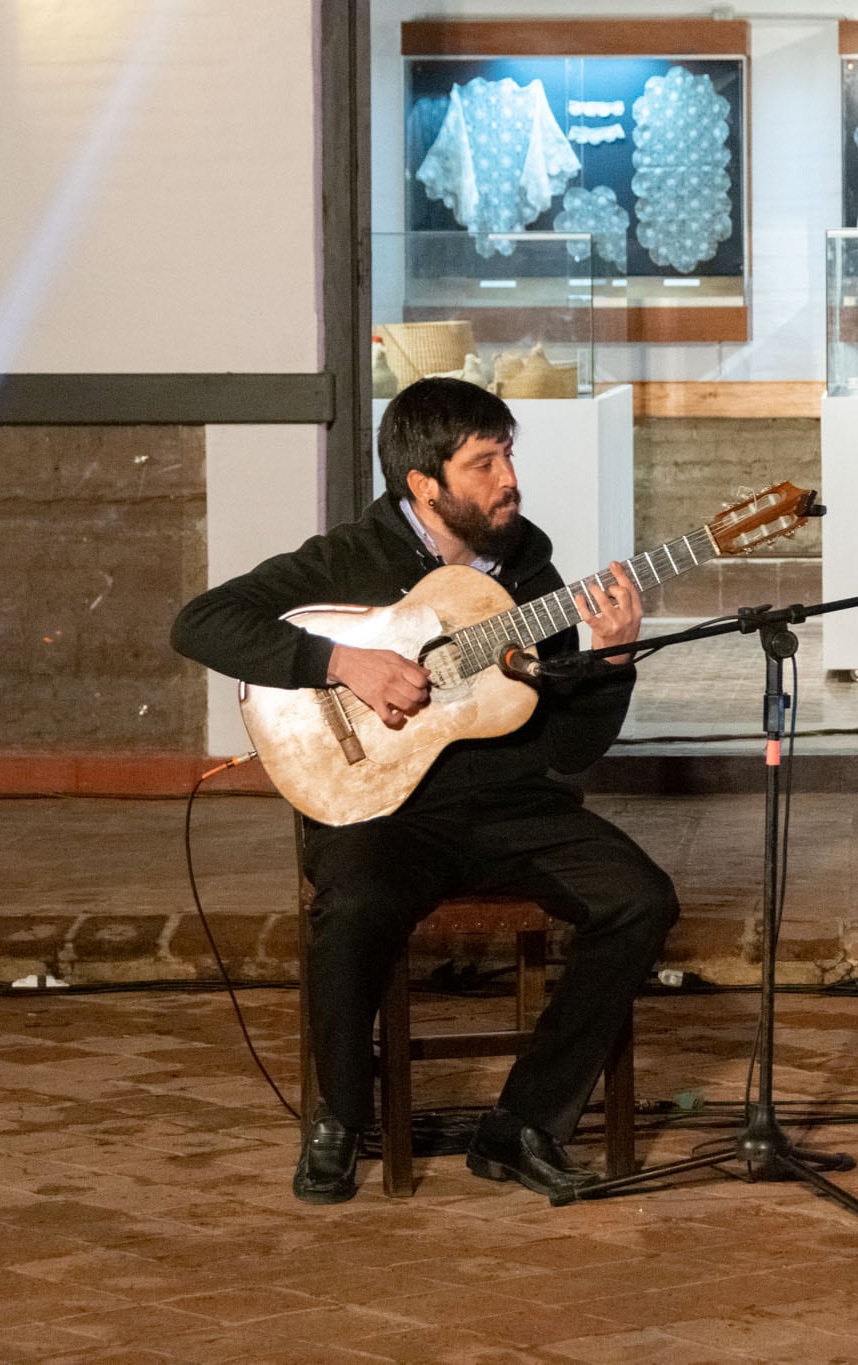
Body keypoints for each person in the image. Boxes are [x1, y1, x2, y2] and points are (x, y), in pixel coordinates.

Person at [171, 377, 678, 1206]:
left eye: (508, 453)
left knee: (640, 898)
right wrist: (343, 662)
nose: (507, 477)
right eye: (484, 463)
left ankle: (523, 1122)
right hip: (381, 805)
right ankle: (339, 1115)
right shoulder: (347, 557)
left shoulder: (530, 572)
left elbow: (566, 748)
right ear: (424, 485)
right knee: (356, 903)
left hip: (511, 804)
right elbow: (200, 621)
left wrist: (614, 659)